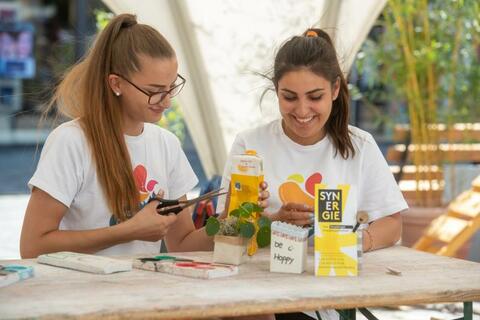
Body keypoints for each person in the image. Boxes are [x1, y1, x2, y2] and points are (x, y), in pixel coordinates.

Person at [20, 14, 268, 260]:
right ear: (116, 83)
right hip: (79, 295)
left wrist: (232, 218)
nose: (168, 102)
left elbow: (182, 245)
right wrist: (127, 231)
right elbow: (33, 246)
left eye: (172, 87)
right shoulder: (71, 141)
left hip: (143, 294)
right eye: (154, 91)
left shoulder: (166, 144)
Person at [218, 28, 408, 320]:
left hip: (327, 297)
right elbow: (226, 229)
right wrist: (273, 222)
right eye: (289, 97)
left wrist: (351, 242)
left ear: (334, 90)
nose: (302, 110)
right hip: (258, 296)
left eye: (315, 97)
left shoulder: (359, 146)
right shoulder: (250, 145)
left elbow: (392, 224)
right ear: (276, 91)